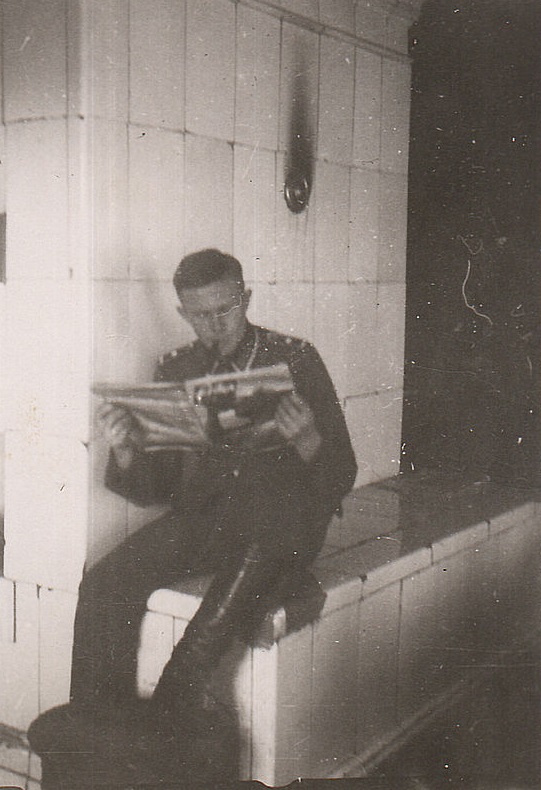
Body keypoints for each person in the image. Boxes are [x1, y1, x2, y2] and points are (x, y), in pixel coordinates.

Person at [29, 249, 357, 783]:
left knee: (200, 644)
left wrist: (306, 438)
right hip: (209, 519)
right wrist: (127, 449)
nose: (214, 325)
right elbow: (157, 488)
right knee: (103, 586)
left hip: (283, 524)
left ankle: (165, 723)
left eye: (224, 310)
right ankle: (95, 747)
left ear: (246, 299)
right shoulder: (178, 367)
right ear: (182, 312)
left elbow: (342, 470)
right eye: (199, 315)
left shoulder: (295, 359)